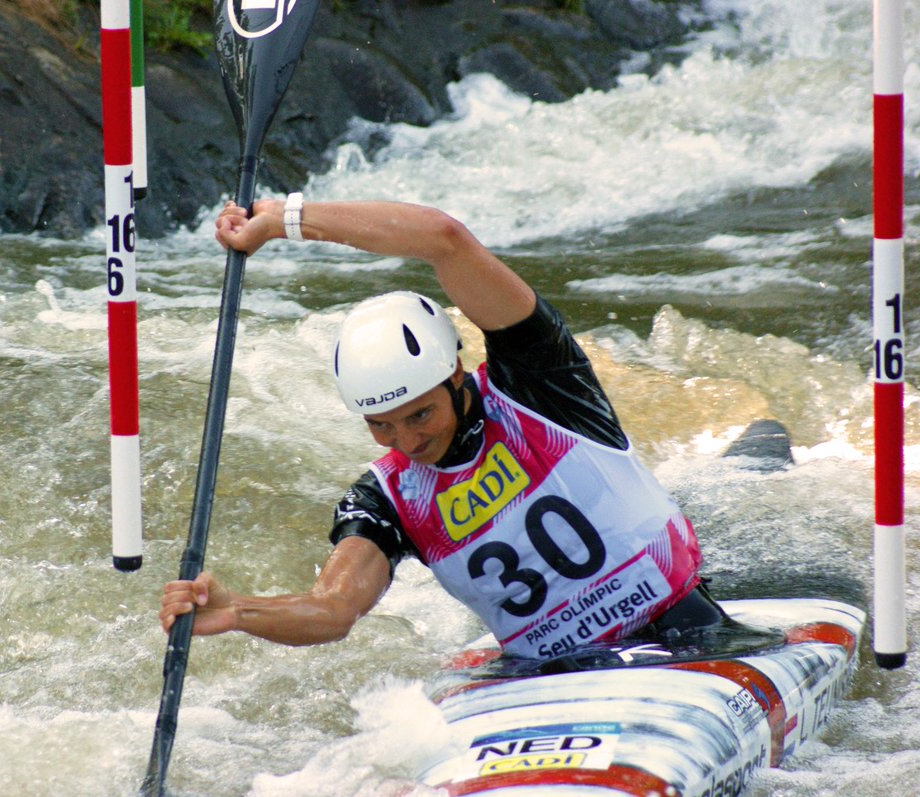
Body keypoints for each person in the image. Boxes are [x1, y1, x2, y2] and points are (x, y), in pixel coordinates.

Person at [159, 195, 724, 659]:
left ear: (455, 373)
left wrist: (284, 219)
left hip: (682, 634)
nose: (406, 442)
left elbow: (443, 238)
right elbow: (332, 611)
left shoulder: (538, 385)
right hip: (547, 678)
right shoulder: (386, 497)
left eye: (420, 415)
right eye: (381, 425)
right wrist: (238, 610)